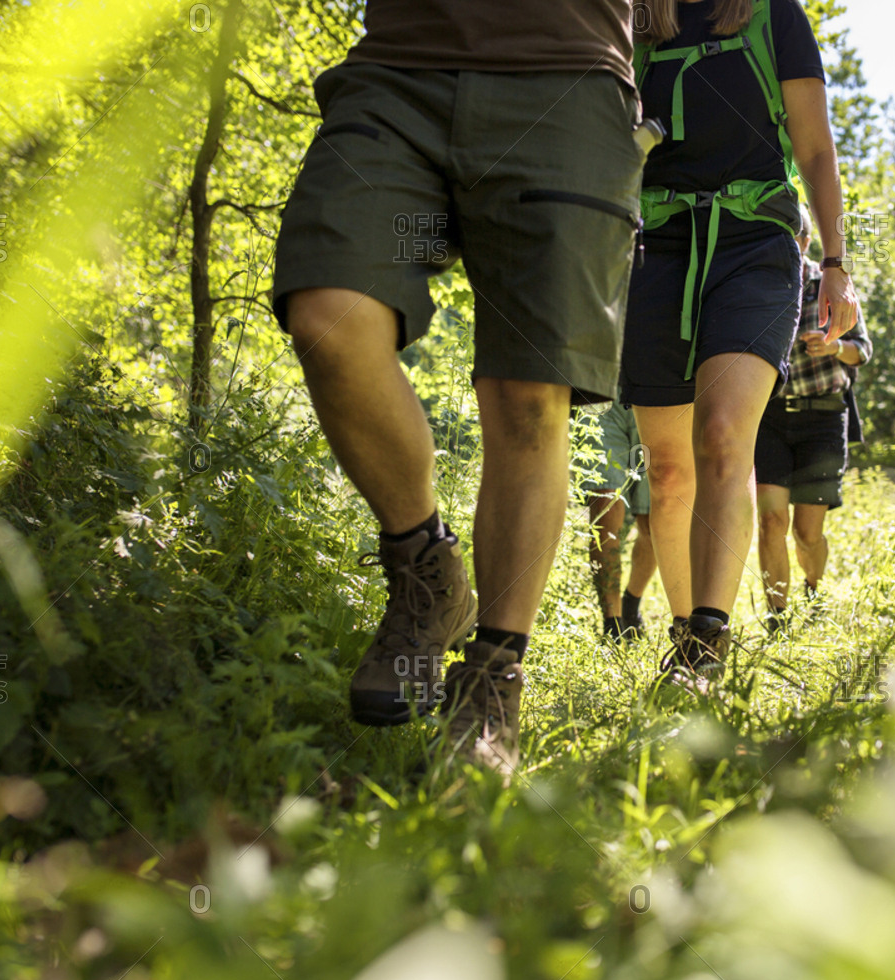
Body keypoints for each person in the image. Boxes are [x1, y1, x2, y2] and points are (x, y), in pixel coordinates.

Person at [271, 1, 644, 774]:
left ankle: (493, 678)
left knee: (529, 398)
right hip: (400, 66)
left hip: (566, 80)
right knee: (328, 315)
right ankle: (426, 567)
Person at [621, 0, 860, 683]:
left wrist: (837, 265)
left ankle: (705, 646)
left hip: (756, 243)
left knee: (724, 434)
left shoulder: (772, 15)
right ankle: (681, 632)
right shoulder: (632, 21)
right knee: (667, 474)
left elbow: (815, 148)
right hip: (657, 250)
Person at [756, 206, 872, 634]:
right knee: (771, 522)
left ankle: (813, 588)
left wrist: (833, 348)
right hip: (770, 417)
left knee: (807, 532)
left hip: (823, 420)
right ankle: (777, 623)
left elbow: (862, 350)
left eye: (794, 238)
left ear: (805, 243)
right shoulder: (758, 287)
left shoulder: (831, 286)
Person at [576, 403, 656, 639]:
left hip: (655, 395)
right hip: (603, 397)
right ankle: (613, 624)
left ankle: (631, 604)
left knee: (653, 524)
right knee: (605, 506)